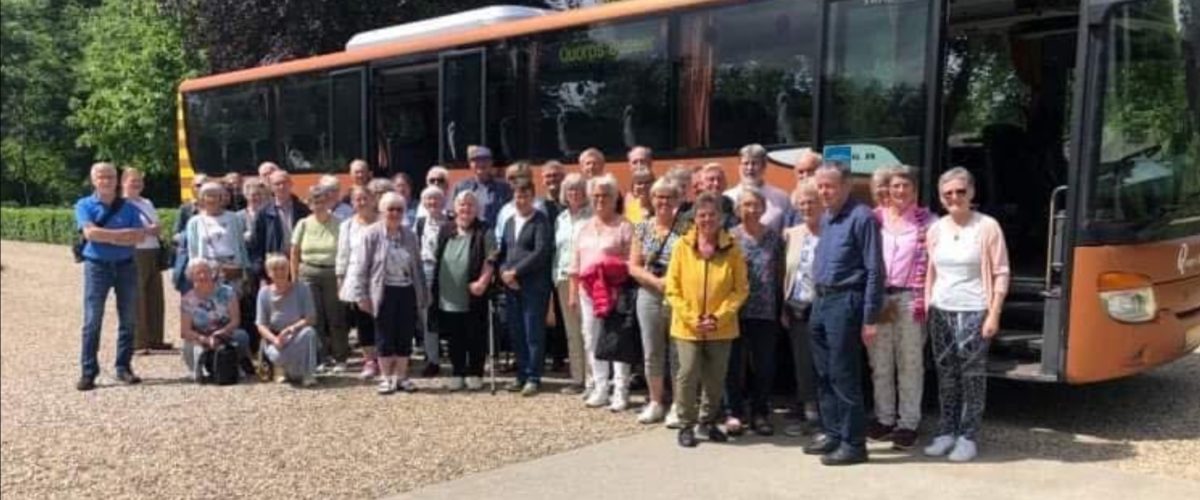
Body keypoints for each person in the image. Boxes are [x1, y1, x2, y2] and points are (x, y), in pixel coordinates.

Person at [922, 167, 1010, 462]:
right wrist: (928, 304)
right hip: (941, 309)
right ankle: (946, 431)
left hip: (974, 309)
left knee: (971, 375)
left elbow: (1001, 272)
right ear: (940, 197)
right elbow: (931, 271)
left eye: (960, 191)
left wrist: (994, 313)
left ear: (971, 192)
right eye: (948, 193)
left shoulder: (987, 226)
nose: (954, 197)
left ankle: (968, 436)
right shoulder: (936, 229)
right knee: (946, 374)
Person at [802, 161, 885, 466]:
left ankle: (854, 443)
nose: (824, 191)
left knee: (843, 374)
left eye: (830, 186)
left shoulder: (862, 217)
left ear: (846, 186)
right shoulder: (827, 217)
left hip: (846, 301)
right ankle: (833, 433)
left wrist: (870, 317)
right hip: (822, 300)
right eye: (820, 186)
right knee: (824, 373)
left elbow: (875, 270)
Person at [664, 192, 749, 447]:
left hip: (721, 327)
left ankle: (708, 421)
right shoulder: (682, 246)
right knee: (688, 372)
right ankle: (686, 424)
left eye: (712, 215)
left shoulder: (732, 248)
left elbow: (740, 289)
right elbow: (672, 288)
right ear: (694, 218)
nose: (707, 219)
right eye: (702, 215)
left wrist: (718, 317)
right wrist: (693, 318)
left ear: (721, 218)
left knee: (715, 377)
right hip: (687, 326)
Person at [866, 165, 935, 450]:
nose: (901, 190)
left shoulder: (928, 222)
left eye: (906, 185)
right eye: (896, 185)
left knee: (910, 363)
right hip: (881, 297)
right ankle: (884, 418)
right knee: (880, 361)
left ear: (915, 190)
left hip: (910, 298)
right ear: (888, 189)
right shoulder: (875, 219)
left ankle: (908, 423)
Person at [74, 162, 148, 390]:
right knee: (92, 320)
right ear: (93, 180)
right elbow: (90, 233)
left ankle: (123, 367)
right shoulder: (84, 205)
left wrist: (106, 236)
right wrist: (121, 236)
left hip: (126, 266)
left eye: (110, 177)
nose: (106, 181)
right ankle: (88, 371)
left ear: (117, 180)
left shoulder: (129, 207)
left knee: (128, 319)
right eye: (101, 176)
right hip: (97, 267)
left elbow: (140, 236)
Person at [348, 192, 429, 394]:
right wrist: (361, 295)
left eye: (399, 209)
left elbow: (417, 267)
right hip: (382, 291)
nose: (395, 213)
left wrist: (423, 293)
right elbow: (361, 267)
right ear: (382, 211)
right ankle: (385, 377)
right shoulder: (370, 234)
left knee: (404, 334)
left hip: (407, 290)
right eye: (390, 209)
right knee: (384, 335)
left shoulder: (410, 235)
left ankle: (401, 377)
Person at [568, 174, 635, 411]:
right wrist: (573, 293)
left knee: (616, 339)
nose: (600, 200)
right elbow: (575, 263)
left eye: (605, 195)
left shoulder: (624, 226)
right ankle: (600, 387)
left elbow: (632, 259)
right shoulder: (584, 228)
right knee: (591, 337)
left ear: (615, 197)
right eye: (596, 195)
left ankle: (621, 390)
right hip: (588, 293)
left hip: (616, 291)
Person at [725, 187, 785, 436]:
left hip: (766, 310)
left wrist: (782, 305)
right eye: (746, 205)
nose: (751, 209)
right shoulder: (730, 237)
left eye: (756, 205)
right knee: (733, 364)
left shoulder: (774, 238)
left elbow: (781, 272)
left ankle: (760, 412)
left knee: (764, 365)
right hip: (735, 310)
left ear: (763, 208)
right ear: (738, 209)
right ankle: (734, 412)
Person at [628, 177, 685, 424]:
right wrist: (655, 282)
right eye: (659, 196)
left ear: (678, 200)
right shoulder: (642, 228)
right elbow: (633, 265)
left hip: (679, 295)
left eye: (669, 197)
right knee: (652, 350)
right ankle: (655, 401)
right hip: (649, 294)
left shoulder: (687, 228)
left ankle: (679, 404)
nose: (664, 201)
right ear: (652, 199)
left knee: (678, 351)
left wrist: (670, 282)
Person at [432, 191, 496, 391]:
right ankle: (458, 371)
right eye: (462, 204)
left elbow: (491, 259)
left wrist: (483, 282)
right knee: (454, 335)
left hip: (473, 293)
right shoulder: (446, 229)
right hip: (448, 294)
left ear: (476, 208)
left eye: (470, 205)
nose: (465, 208)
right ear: (455, 208)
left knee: (475, 334)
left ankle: (475, 372)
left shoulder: (484, 230)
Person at [496, 178, 555, 395]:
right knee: (516, 331)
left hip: (533, 285)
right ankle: (521, 374)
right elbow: (504, 251)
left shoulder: (540, 222)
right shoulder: (510, 222)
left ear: (532, 197)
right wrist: (504, 272)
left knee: (533, 332)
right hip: (512, 286)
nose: (521, 201)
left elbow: (540, 252)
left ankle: (533, 376)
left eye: (525, 196)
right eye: (517, 197)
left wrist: (516, 272)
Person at [290, 184, 348, 373]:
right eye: (315, 202)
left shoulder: (340, 223)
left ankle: (340, 358)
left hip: (334, 273)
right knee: (315, 318)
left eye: (323, 201)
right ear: (309, 204)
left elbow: (346, 251)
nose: (319, 205)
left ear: (329, 202)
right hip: (308, 273)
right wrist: (294, 278)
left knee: (336, 316)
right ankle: (320, 358)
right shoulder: (303, 224)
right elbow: (294, 252)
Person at [781, 180, 823, 438]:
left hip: (825, 308)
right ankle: (810, 414)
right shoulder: (791, 234)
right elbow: (784, 272)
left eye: (812, 201)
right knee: (803, 364)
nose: (807, 207)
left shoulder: (832, 231)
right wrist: (782, 307)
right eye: (802, 203)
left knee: (825, 363)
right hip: (797, 308)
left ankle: (828, 414)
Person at [179, 258, 253, 382]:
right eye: (198, 273)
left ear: (212, 273)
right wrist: (204, 339)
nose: (203, 275)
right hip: (201, 335)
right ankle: (198, 370)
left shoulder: (227, 292)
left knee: (242, 336)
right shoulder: (187, 300)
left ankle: (236, 365)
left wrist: (220, 334)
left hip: (225, 332)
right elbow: (185, 331)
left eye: (206, 271)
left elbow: (235, 320)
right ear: (191, 277)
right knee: (189, 345)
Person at [121, 167, 169, 353]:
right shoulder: (120, 204)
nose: (137, 184)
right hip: (135, 251)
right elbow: (122, 230)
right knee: (137, 296)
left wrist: (156, 229)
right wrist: (147, 230)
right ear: (123, 182)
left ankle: (155, 338)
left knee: (155, 296)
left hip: (152, 249)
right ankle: (138, 341)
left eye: (140, 181)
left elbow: (156, 224)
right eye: (133, 181)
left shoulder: (147, 202)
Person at [553, 173, 592, 394]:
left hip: (586, 279)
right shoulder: (561, 219)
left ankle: (592, 379)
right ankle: (578, 378)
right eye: (570, 189)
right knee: (572, 330)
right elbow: (557, 251)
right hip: (563, 278)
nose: (574, 193)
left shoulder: (592, 216)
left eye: (578, 188)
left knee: (589, 329)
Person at [257, 253, 321, 387]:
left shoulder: (302, 288)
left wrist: (291, 328)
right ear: (268, 273)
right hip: (276, 339)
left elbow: (310, 318)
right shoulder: (264, 293)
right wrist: (275, 340)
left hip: (297, 335)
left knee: (309, 332)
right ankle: (283, 368)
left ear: (289, 270)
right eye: (275, 269)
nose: (280, 272)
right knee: (278, 357)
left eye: (283, 268)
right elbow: (261, 324)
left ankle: (308, 374)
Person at [337, 185, 380, 379]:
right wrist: (340, 279)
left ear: (373, 199)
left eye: (365, 198)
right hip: (357, 278)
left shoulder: (383, 221)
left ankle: (386, 357)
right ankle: (369, 360)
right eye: (357, 199)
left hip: (381, 278)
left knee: (383, 319)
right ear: (352, 203)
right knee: (363, 321)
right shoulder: (347, 226)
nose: (362, 202)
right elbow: (343, 254)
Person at [186, 182, 251, 289]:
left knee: (232, 297)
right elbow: (192, 251)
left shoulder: (233, 218)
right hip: (207, 270)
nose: (212, 199)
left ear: (221, 198)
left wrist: (245, 270)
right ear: (202, 199)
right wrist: (195, 272)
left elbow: (241, 246)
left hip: (232, 268)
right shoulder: (195, 222)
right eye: (208, 195)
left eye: (215, 196)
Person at [250, 171, 311, 284]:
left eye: (284, 182)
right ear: (271, 187)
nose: (281, 186)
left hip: (299, 264)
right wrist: (260, 272)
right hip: (275, 266)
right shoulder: (263, 213)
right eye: (277, 184)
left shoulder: (303, 210)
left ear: (291, 184)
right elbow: (256, 244)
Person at [414, 185, 448, 377]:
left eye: (436, 198)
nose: (433, 202)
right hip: (426, 270)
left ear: (443, 201)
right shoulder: (419, 224)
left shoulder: (451, 221)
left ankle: (457, 357)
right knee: (428, 318)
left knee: (451, 314)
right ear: (423, 202)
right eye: (429, 199)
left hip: (448, 271)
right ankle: (432, 359)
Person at [724, 144, 792, 232]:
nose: (750, 168)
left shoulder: (781, 198)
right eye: (746, 163)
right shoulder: (727, 197)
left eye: (754, 163)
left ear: (764, 166)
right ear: (739, 166)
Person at [450, 145, 511, 227]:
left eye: (485, 160)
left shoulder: (504, 188)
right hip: (469, 232)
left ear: (491, 163)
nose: (481, 164)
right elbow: (452, 212)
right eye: (476, 161)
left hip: (495, 231)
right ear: (470, 164)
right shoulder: (461, 187)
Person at [171, 174, 207, 293]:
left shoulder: (217, 209)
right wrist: (190, 235)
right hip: (189, 261)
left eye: (205, 185)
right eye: (198, 185)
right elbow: (175, 235)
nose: (202, 188)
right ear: (192, 188)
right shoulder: (185, 209)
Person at [784, 148, 822, 228]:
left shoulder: (827, 198)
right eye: (801, 172)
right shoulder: (791, 200)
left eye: (810, 170)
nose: (805, 176)